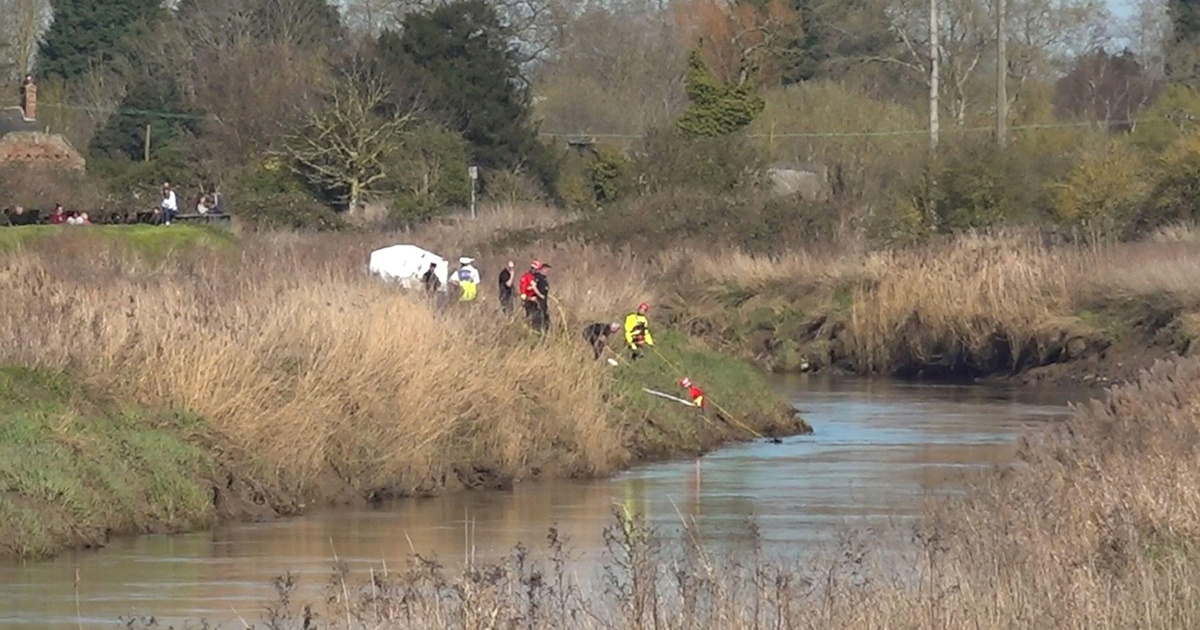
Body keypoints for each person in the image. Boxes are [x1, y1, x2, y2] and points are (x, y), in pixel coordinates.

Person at [521, 261, 551, 331]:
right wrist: (534, 297)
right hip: (534, 305)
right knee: (536, 324)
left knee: (545, 323)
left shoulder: (539, 278)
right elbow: (525, 291)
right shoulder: (529, 277)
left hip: (541, 305)